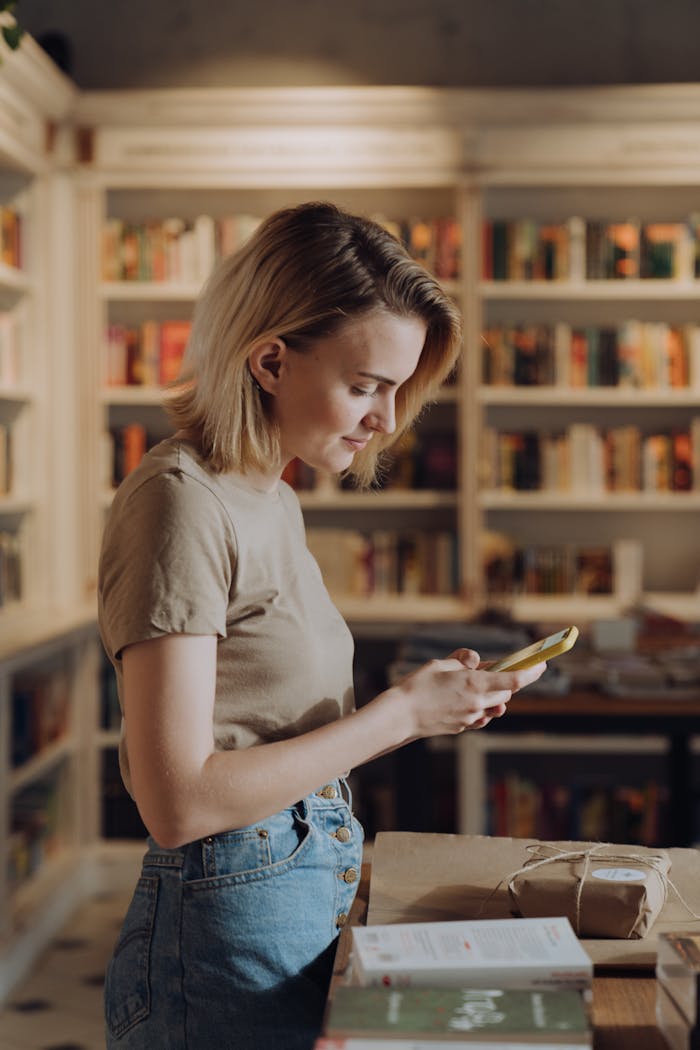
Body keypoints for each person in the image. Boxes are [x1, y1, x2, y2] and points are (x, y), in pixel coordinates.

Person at [98, 201, 546, 1050]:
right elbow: (178, 800)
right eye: (367, 385)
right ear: (270, 360)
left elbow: (272, 730)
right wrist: (400, 717)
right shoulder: (179, 501)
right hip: (221, 939)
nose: (386, 418)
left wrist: (429, 703)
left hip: (289, 900)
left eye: (397, 388)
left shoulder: (272, 497)